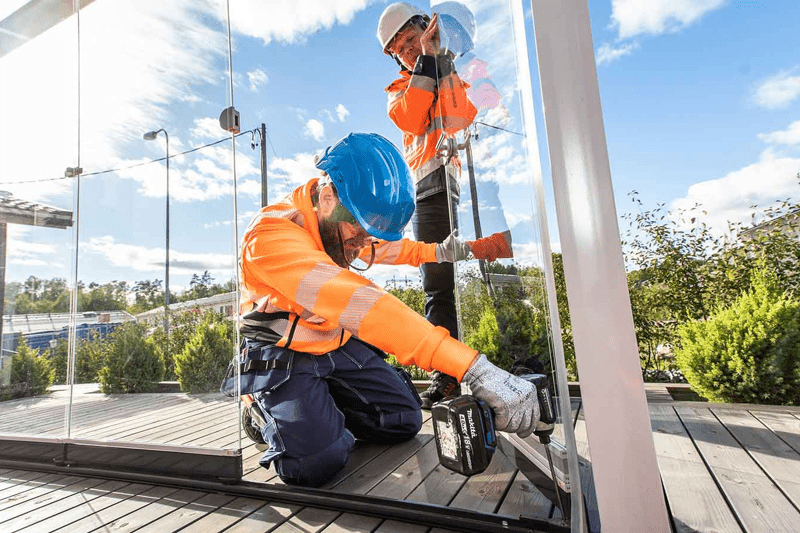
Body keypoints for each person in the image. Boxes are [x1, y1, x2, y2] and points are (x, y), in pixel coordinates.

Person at [223, 133, 540, 487]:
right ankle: (260, 409)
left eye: (369, 238)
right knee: (316, 463)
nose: (361, 247)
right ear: (327, 198)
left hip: (331, 343)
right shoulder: (269, 238)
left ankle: (318, 406)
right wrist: (472, 368)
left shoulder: (344, 224)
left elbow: (402, 250)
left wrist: (459, 250)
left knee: (404, 419)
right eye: (358, 235)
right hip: (283, 353)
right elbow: (360, 303)